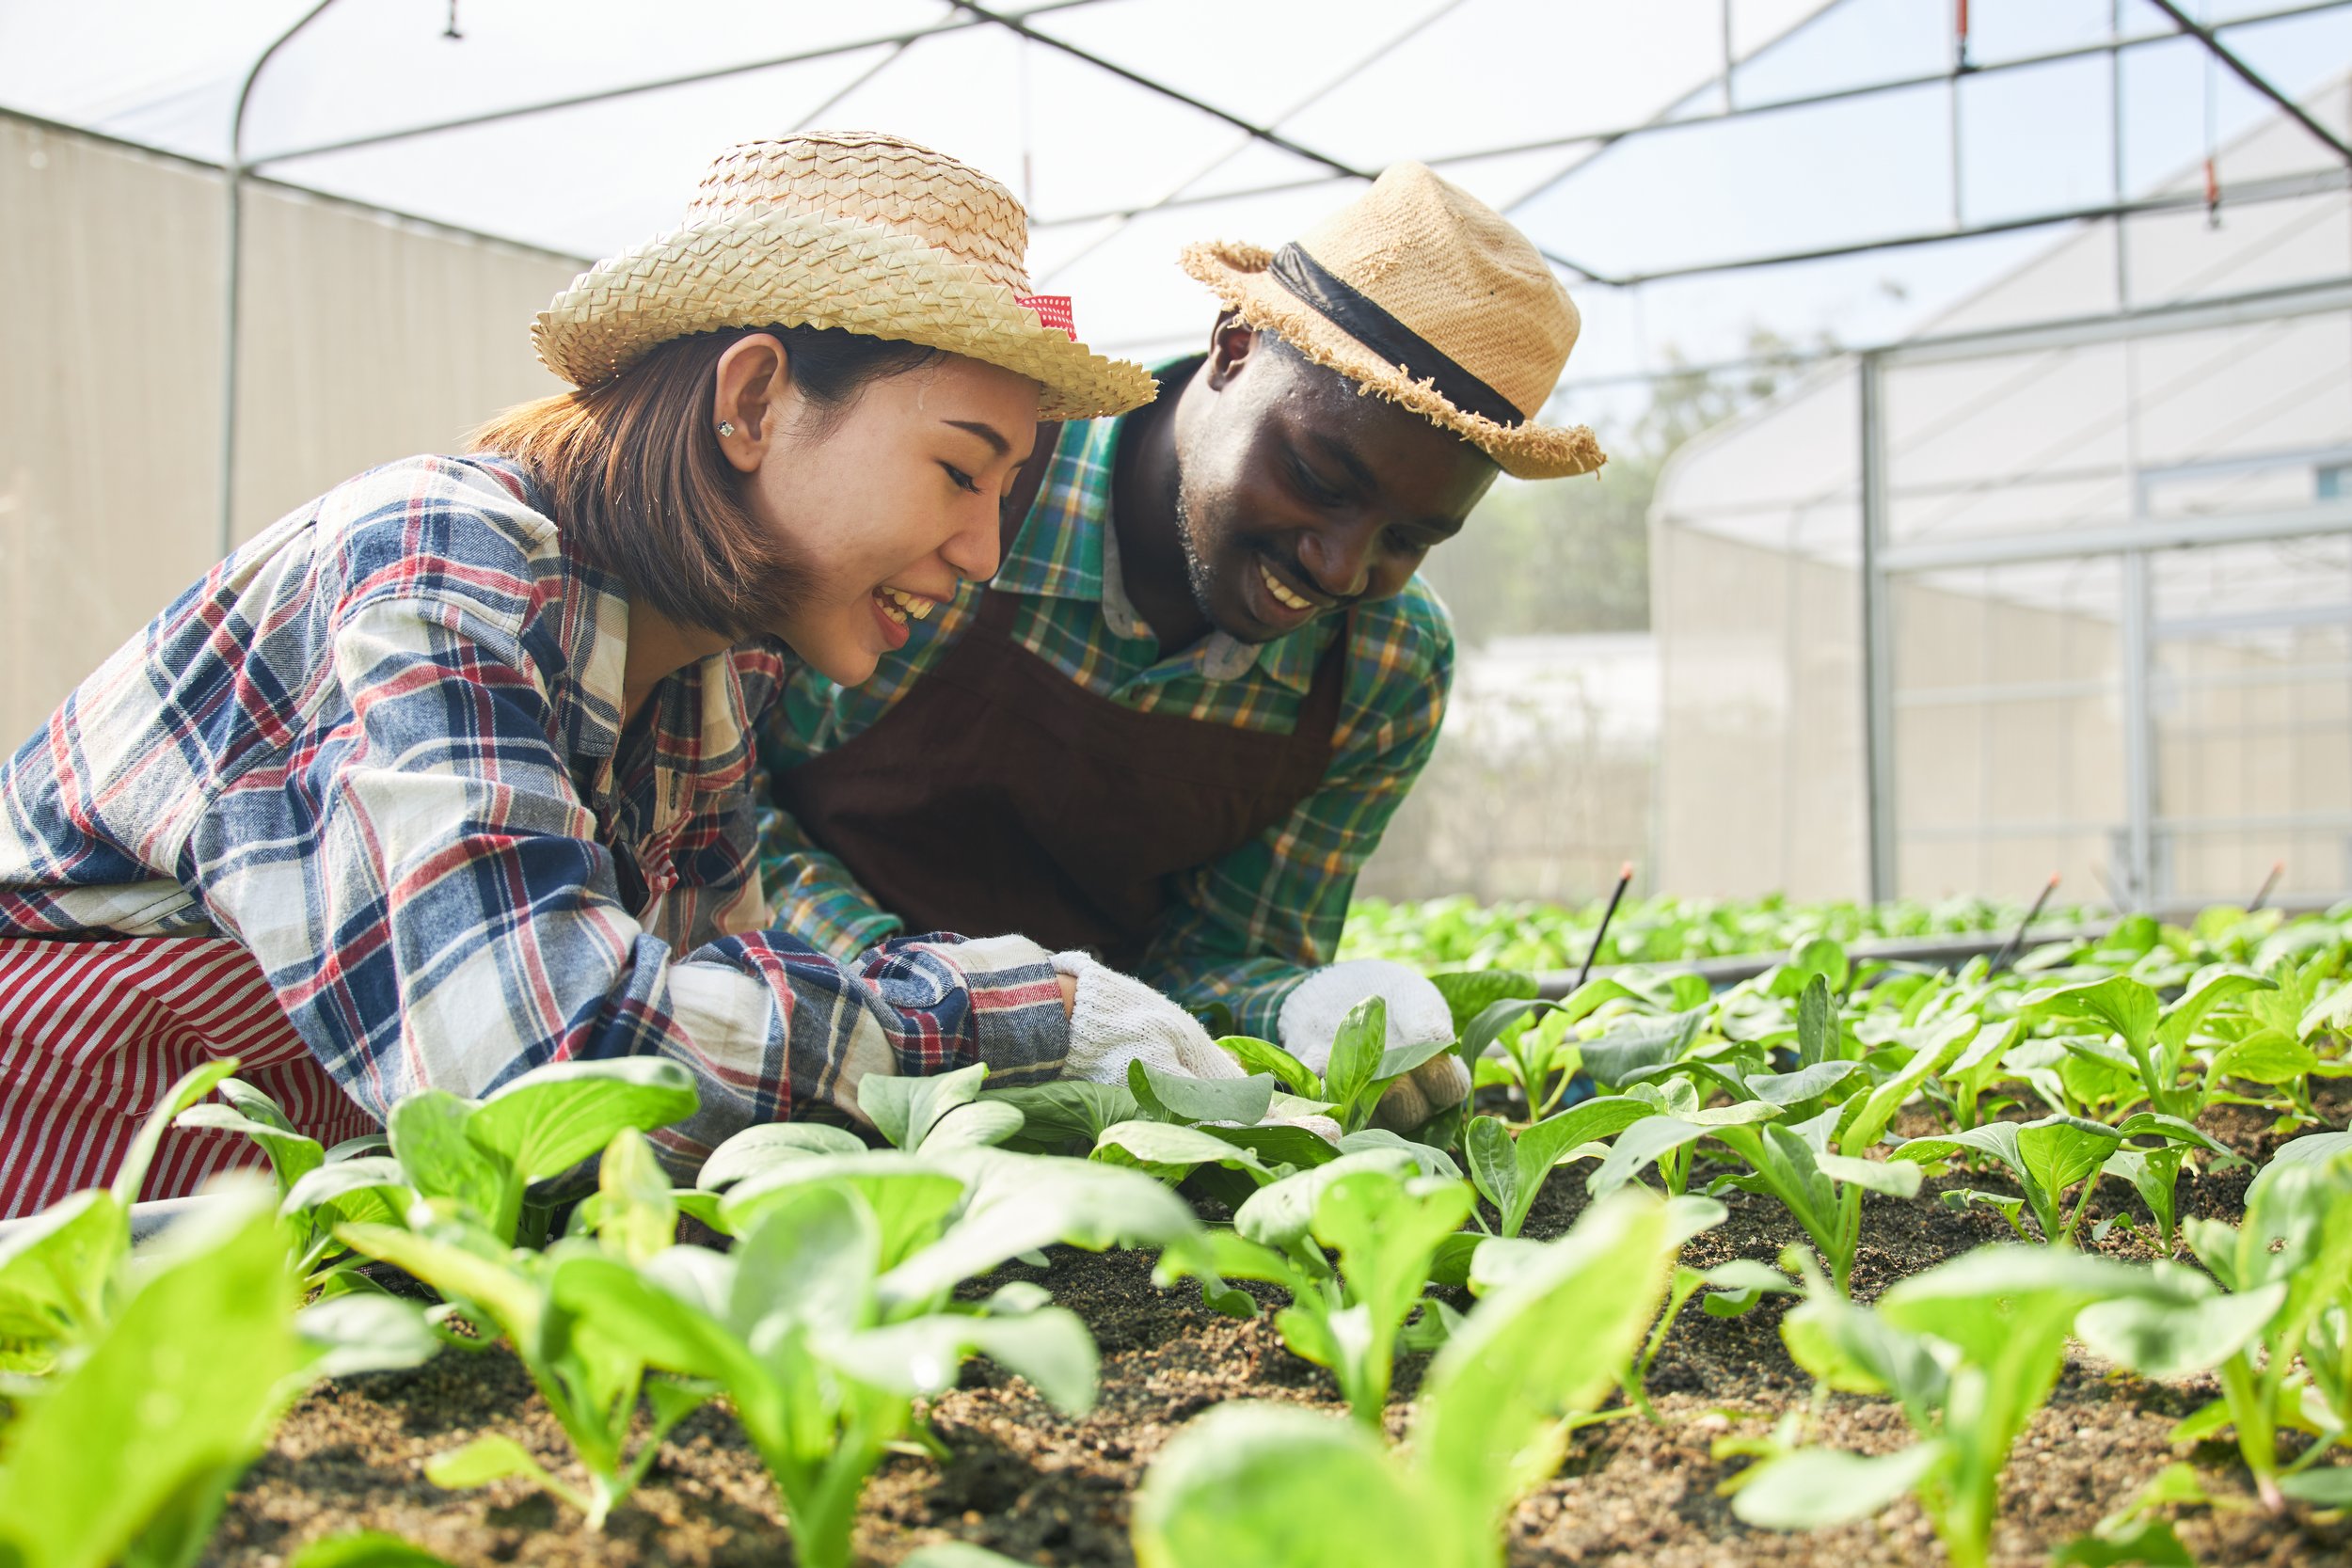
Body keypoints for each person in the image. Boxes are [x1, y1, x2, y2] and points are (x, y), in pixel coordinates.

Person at [0, 132, 1246, 1220]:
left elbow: (719, 1010)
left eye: (1008, 492)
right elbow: (538, 1066)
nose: (981, 553)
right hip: (57, 1164)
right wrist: (1006, 1015)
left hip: (256, 1211)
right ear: (752, 399)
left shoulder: (707, 677)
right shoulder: (435, 558)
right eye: (960, 470)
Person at [755, 163, 1604, 1129]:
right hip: (792, 1052)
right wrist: (953, 1002)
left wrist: (1295, 1008)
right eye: (1318, 477)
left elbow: (1217, 954)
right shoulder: (968, 494)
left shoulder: (1381, 671)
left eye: (1406, 539)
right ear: (1235, 348)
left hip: (1098, 1124)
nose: (1338, 567)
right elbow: (724, 808)